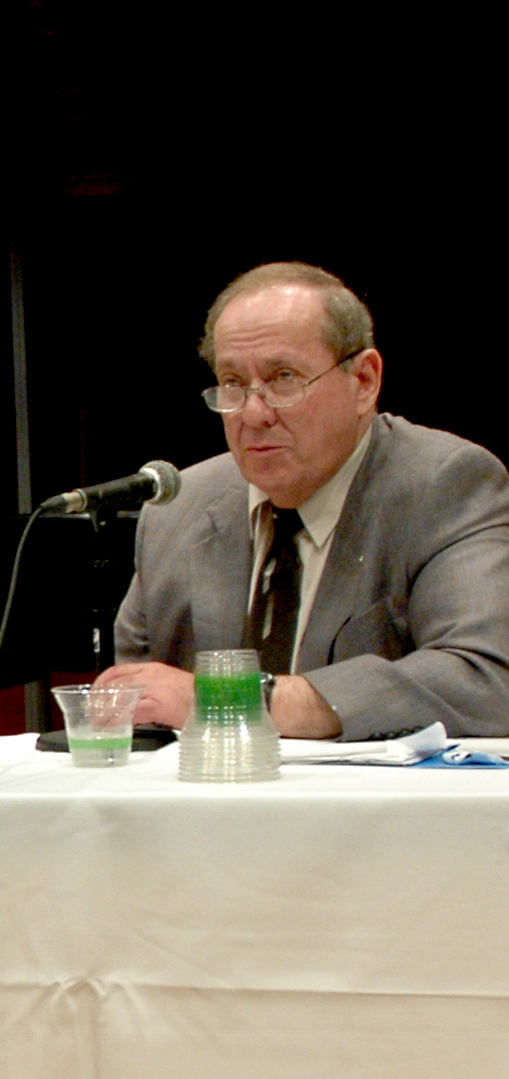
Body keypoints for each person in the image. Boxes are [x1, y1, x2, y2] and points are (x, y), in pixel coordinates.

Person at [103, 262, 509, 740]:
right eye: (233, 383)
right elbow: (139, 706)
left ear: (364, 381)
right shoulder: (179, 509)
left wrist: (225, 698)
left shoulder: (445, 485)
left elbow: (485, 681)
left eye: (283, 378)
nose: (254, 413)